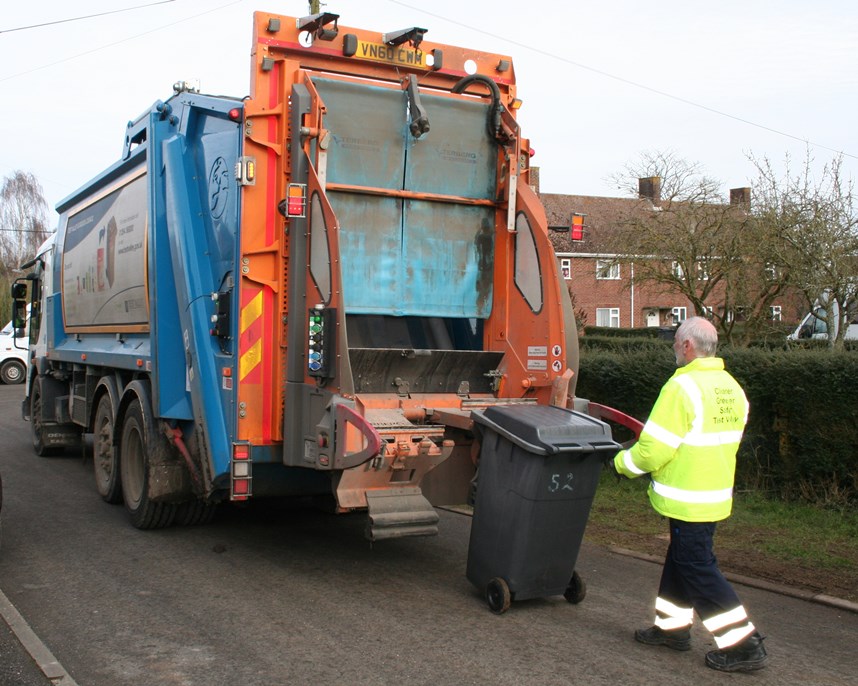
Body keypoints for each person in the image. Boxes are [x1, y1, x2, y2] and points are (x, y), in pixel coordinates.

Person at [611, 316, 769, 672]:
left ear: (686, 346)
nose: (673, 350)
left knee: (697, 566)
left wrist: (621, 464)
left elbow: (653, 450)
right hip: (713, 494)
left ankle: (744, 644)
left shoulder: (681, 388)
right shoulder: (730, 387)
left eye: (674, 344)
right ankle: (672, 629)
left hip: (687, 496)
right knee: (682, 559)